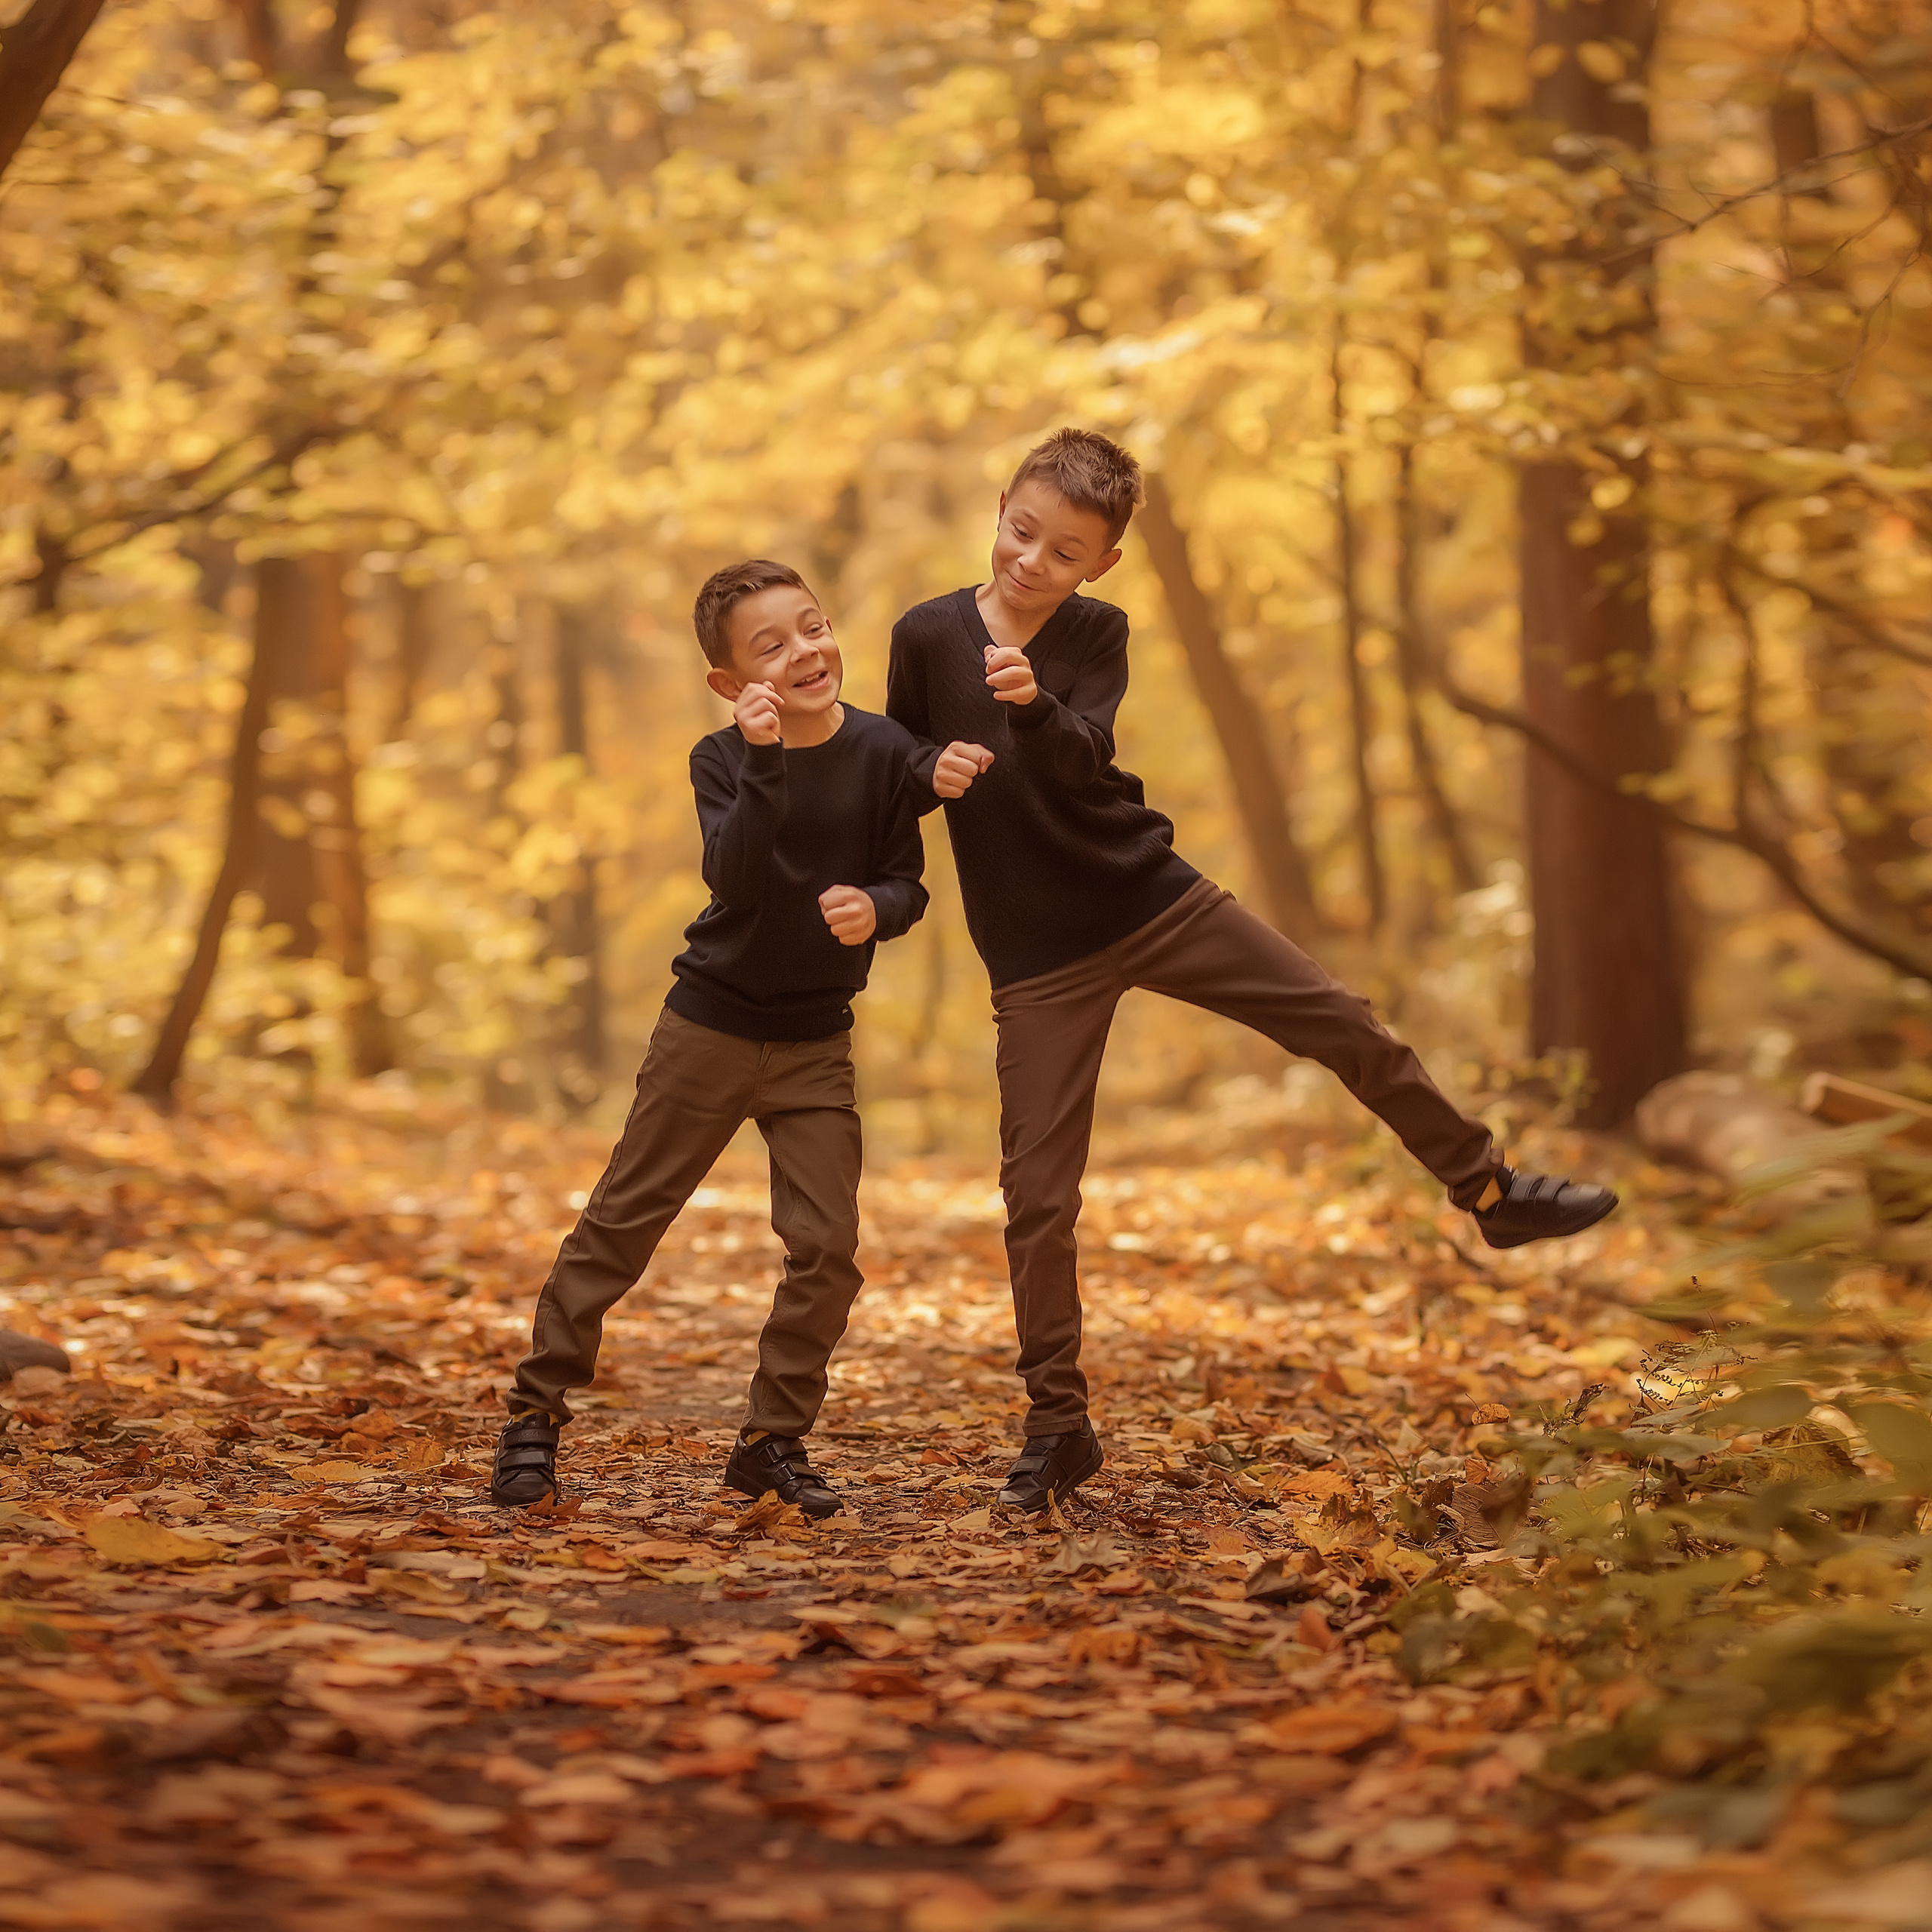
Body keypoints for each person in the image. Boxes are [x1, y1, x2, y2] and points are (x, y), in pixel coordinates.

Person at [886, 429, 1617, 1515]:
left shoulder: (1096, 631)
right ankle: (1057, 1425)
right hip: (1037, 955)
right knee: (1036, 1196)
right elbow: (892, 769)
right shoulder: (926, 634)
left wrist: (1033, 708)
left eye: (1066, 551)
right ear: (1000, 507)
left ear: (1102, 565)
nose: (1033, 560)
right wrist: (916, 781)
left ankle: (1489, 1188)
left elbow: (1088, 753)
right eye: (1023, 531)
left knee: (1340, 1019)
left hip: (1150, 894)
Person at [490, 560, 928, 1516]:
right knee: (622, 1223)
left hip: (816, 1045)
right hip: (710, 1028)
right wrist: (764, 755)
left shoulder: (885, 749)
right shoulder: (721, 758)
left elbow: (908, 877)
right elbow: (733, 877)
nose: (804, 651)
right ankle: (535, 1413)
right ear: (732, 684)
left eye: (810, 627)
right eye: (770, 647)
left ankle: (772, 1441)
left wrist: (879, 907)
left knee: (828, 1248)